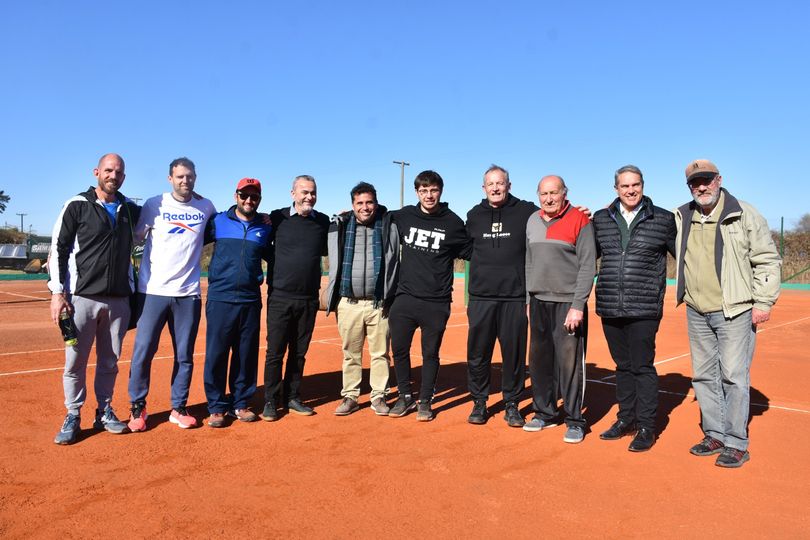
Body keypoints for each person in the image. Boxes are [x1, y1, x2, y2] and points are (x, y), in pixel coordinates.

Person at [676, 159, 780, 468]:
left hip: (734, 309)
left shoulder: (744, 213)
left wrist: (763, 302)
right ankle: (715, 434)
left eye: (706, 179)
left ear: (719, 179)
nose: (702, 186)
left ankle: (736, 442)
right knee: (704, 376)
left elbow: (767, 258)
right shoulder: (683, 215)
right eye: (695, 182)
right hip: (696, 309)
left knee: (734, 376)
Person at [49, 153, 140, 445]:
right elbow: (58, 249)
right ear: (97, 172)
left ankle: (104, 411)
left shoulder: (129, 209)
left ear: (124, 177)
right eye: (109, 170)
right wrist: (57, 294)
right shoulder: (76, 205)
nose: (113, 176)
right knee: (75, 360)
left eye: (119, 172)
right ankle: (73, 414)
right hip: (81, 300)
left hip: (117, 301)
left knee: (110, 361)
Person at [127, 157, 216, 431]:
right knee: (143, 352)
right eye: (180, 177)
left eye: (189, 176)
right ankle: (137, 408)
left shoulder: (206, 206)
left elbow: (224, 224)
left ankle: (178, 407)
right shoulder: (155, 204)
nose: (185, 181)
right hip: (152, 292)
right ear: (170, 179)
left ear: (195, 178)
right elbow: (135, 238)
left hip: (188, 294)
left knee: (184, 355)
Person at [592, 165, 676, 452]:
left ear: (643, 185)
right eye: (625, 186)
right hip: (610, 305)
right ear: (615, 188)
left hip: (644, 307)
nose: (631, 190)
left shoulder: (663, 219)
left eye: (635, 185)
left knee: (642, 367)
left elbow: (688, 255)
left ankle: (646, 426)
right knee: (623, 367)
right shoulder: (601, 219)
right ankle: (625, 419)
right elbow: (586, 252)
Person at [387, 170, 471, 421]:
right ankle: (405, 397)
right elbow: (376, 215)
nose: (429, 195)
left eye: (433, 190)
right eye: (424, 191)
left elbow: (473, 250)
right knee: (399, 351)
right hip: (405, 298)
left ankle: (425, 401)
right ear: (417, 193)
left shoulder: (453, 222)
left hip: (436, 302)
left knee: (430, 354)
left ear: (440, 191)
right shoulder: (403, 216)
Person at [464, 165, 538, 427]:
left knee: (514, 355)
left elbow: (554, 211)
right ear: (483, 188)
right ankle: (479, 402)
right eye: (490, 184)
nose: (495, 188)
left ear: (509, 185)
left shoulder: (526, 210)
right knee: (478, 354)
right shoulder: (474, 215)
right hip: (481, 298)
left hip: (514, 298)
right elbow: (462, 247)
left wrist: (580, 210)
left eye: (500, 183)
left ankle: (512, 404)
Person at [524, 175, 596, 443]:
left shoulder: (580, 219)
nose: (549, 198)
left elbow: (588, 265)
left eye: (554, 193)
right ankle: (544, 413)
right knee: (540, 361)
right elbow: (528, 263)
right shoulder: (532, 220)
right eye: (544, 194)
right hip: (538, 301)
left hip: (568, 303)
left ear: (564, 193)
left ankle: (575, 419)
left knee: (570, 364)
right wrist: (529, 300)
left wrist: (578, 306)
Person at [324, 182, 400, 416]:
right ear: (352, 205)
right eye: (360, 203)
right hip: (349, 302)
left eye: (369, 202)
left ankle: (379, 396)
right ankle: (351, 396)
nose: (365, 207)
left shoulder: (389, 224)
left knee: (380, 354)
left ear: (376, 203)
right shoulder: (340, 225)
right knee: (351, 354)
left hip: (379, 303)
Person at [203, 178, 273, 427]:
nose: (248, 200)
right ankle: (216, 406)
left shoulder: (265, 227)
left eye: (254, 197)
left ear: (259, 200)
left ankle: (241, 403)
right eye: (244, 195)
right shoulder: (218, 222)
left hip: (250, 299)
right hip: (220, 298)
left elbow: (274, 255)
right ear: (236, 196)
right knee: (216, 354)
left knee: (246, 354)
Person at [261, 175, 330, 421]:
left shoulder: (322, 221)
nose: (308, 197)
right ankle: (270, 400)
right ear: (293, 194)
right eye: (304, 192)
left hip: (308, 300)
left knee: (299, 353)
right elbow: (261, 242)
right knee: (275, 353)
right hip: (279, 297)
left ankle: (291, 397)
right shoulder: (276, 218)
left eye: (312, 192)